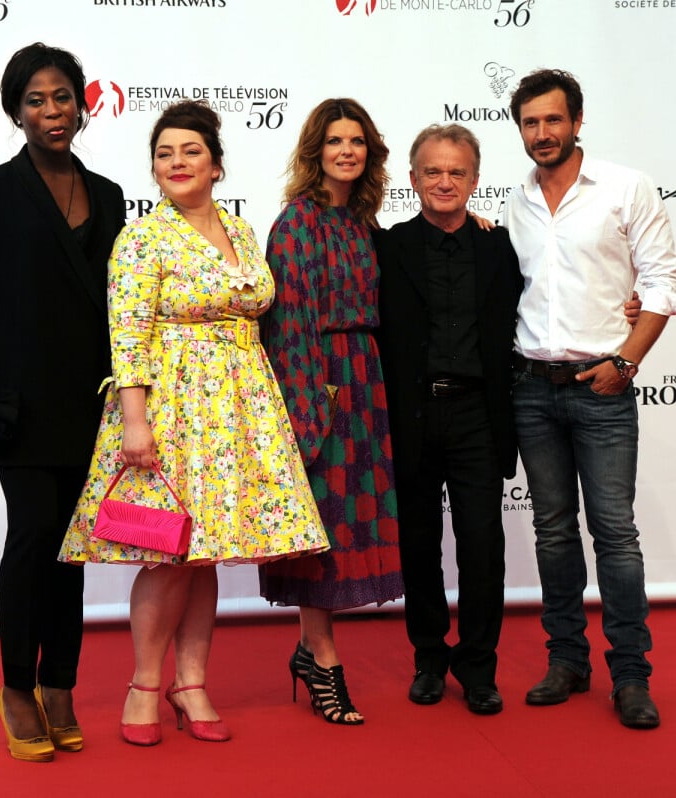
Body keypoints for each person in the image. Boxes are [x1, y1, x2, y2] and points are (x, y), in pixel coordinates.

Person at [58, 100, 329, 746]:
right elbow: (127, 332)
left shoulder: (241, 234)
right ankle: (145, 684)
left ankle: (192, 681)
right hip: (172, 406)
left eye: (190, 152)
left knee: (204, 558)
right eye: (164, 154)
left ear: (217, 165)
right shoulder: (144, 236)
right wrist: (135, 420)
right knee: (168, 554)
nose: (176, 163)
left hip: (238, 407)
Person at [0, 43, 127, 762]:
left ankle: (60, 686)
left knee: (71, 552)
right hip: (16, 400)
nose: (53, 112)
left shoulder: (108, 195)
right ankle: (18, 687)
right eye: (36, 100)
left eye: (63, 97)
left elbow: (121, 306)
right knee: (33, 538)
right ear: (15, 112)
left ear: (84, 103)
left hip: (91, 400)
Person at [505, 68, 676, 729]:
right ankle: (567, 662)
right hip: (530, 388)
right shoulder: (514, 201)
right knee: (552, 533)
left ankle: (632, 677)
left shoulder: (624, 187)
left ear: (577, 121)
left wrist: (627, 360)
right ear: (520, 129)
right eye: (531, 122)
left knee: (615, 535)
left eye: (554, 120)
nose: (543, 133)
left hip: (601, 389)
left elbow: (663, 284)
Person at [258, 98, 404, 725]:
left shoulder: (364, 224)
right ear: (314, 149)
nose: (347, 150)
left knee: (347, 528)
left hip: (365, 384)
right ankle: (323, 658)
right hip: (319, 387)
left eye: (358, 141)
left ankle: (307, 650)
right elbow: (288, 323)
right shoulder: (296, 223)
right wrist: (308, 410)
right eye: (335, 140)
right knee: (320, 529)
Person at [373, 124, 521, 716]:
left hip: (478, 415)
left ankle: (479, 667)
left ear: (474, 181)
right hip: (410, 414)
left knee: (484, 545)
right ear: (412, 179)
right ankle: (429, 658)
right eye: (432, 171)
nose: (444, 182)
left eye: (456, 172)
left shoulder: (500, 246)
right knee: (419, 543)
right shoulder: (385, 247)